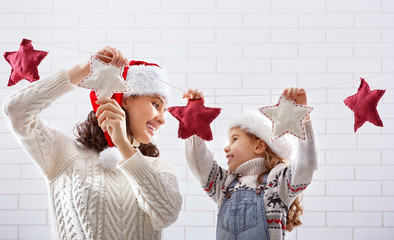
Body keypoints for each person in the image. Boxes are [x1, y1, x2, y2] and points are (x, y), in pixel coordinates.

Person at [3, 46, 182, 240]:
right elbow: (16, 111)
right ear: (126, 99)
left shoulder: (159, 168)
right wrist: (84, 69)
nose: (162, 118)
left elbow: (167, 213)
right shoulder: (65, 155)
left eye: (164, 111)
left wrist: (123, 144)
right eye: (156, 104)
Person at [182, 88, 318, 240]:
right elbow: (197, 160)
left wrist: (302, 118)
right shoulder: (224, 184)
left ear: (259, 146)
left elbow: (306, 165)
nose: (227, 147)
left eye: (234, 139)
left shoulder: (278, 181)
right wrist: (195, 115)